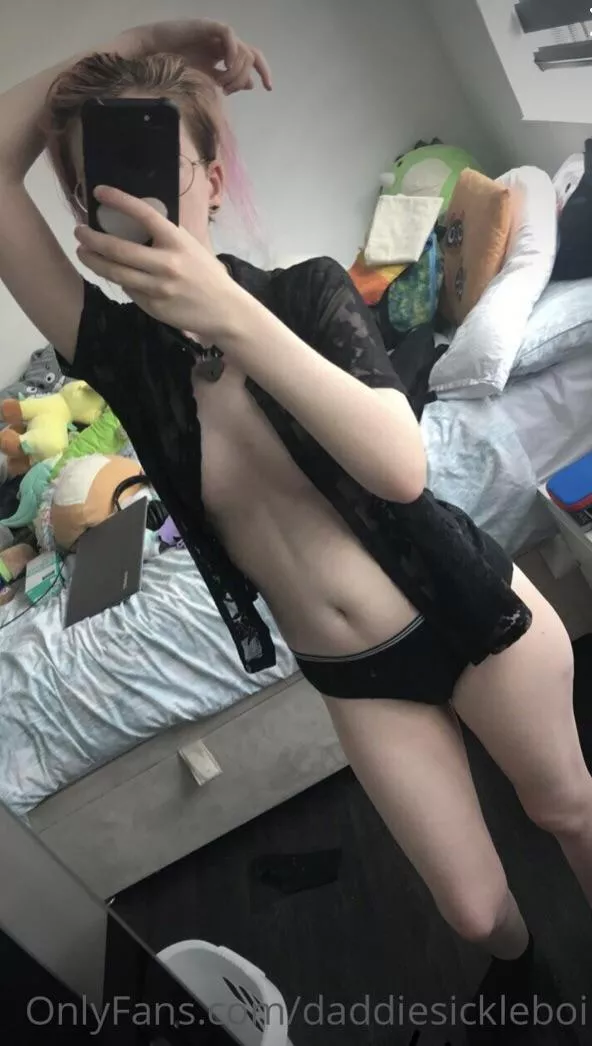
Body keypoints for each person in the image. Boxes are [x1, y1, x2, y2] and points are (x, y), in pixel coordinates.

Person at [0, 17, 591, 977]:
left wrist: (224, 312)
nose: (130, 197)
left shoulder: (307, 294)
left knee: (567, 808)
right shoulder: (118, 357)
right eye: (97, 181)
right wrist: (146, 36)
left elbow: (401, 468)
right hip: (355, 673)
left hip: (467, 610)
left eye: (155, 166)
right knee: (478, 915)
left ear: (213, 181)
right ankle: (526, 986)